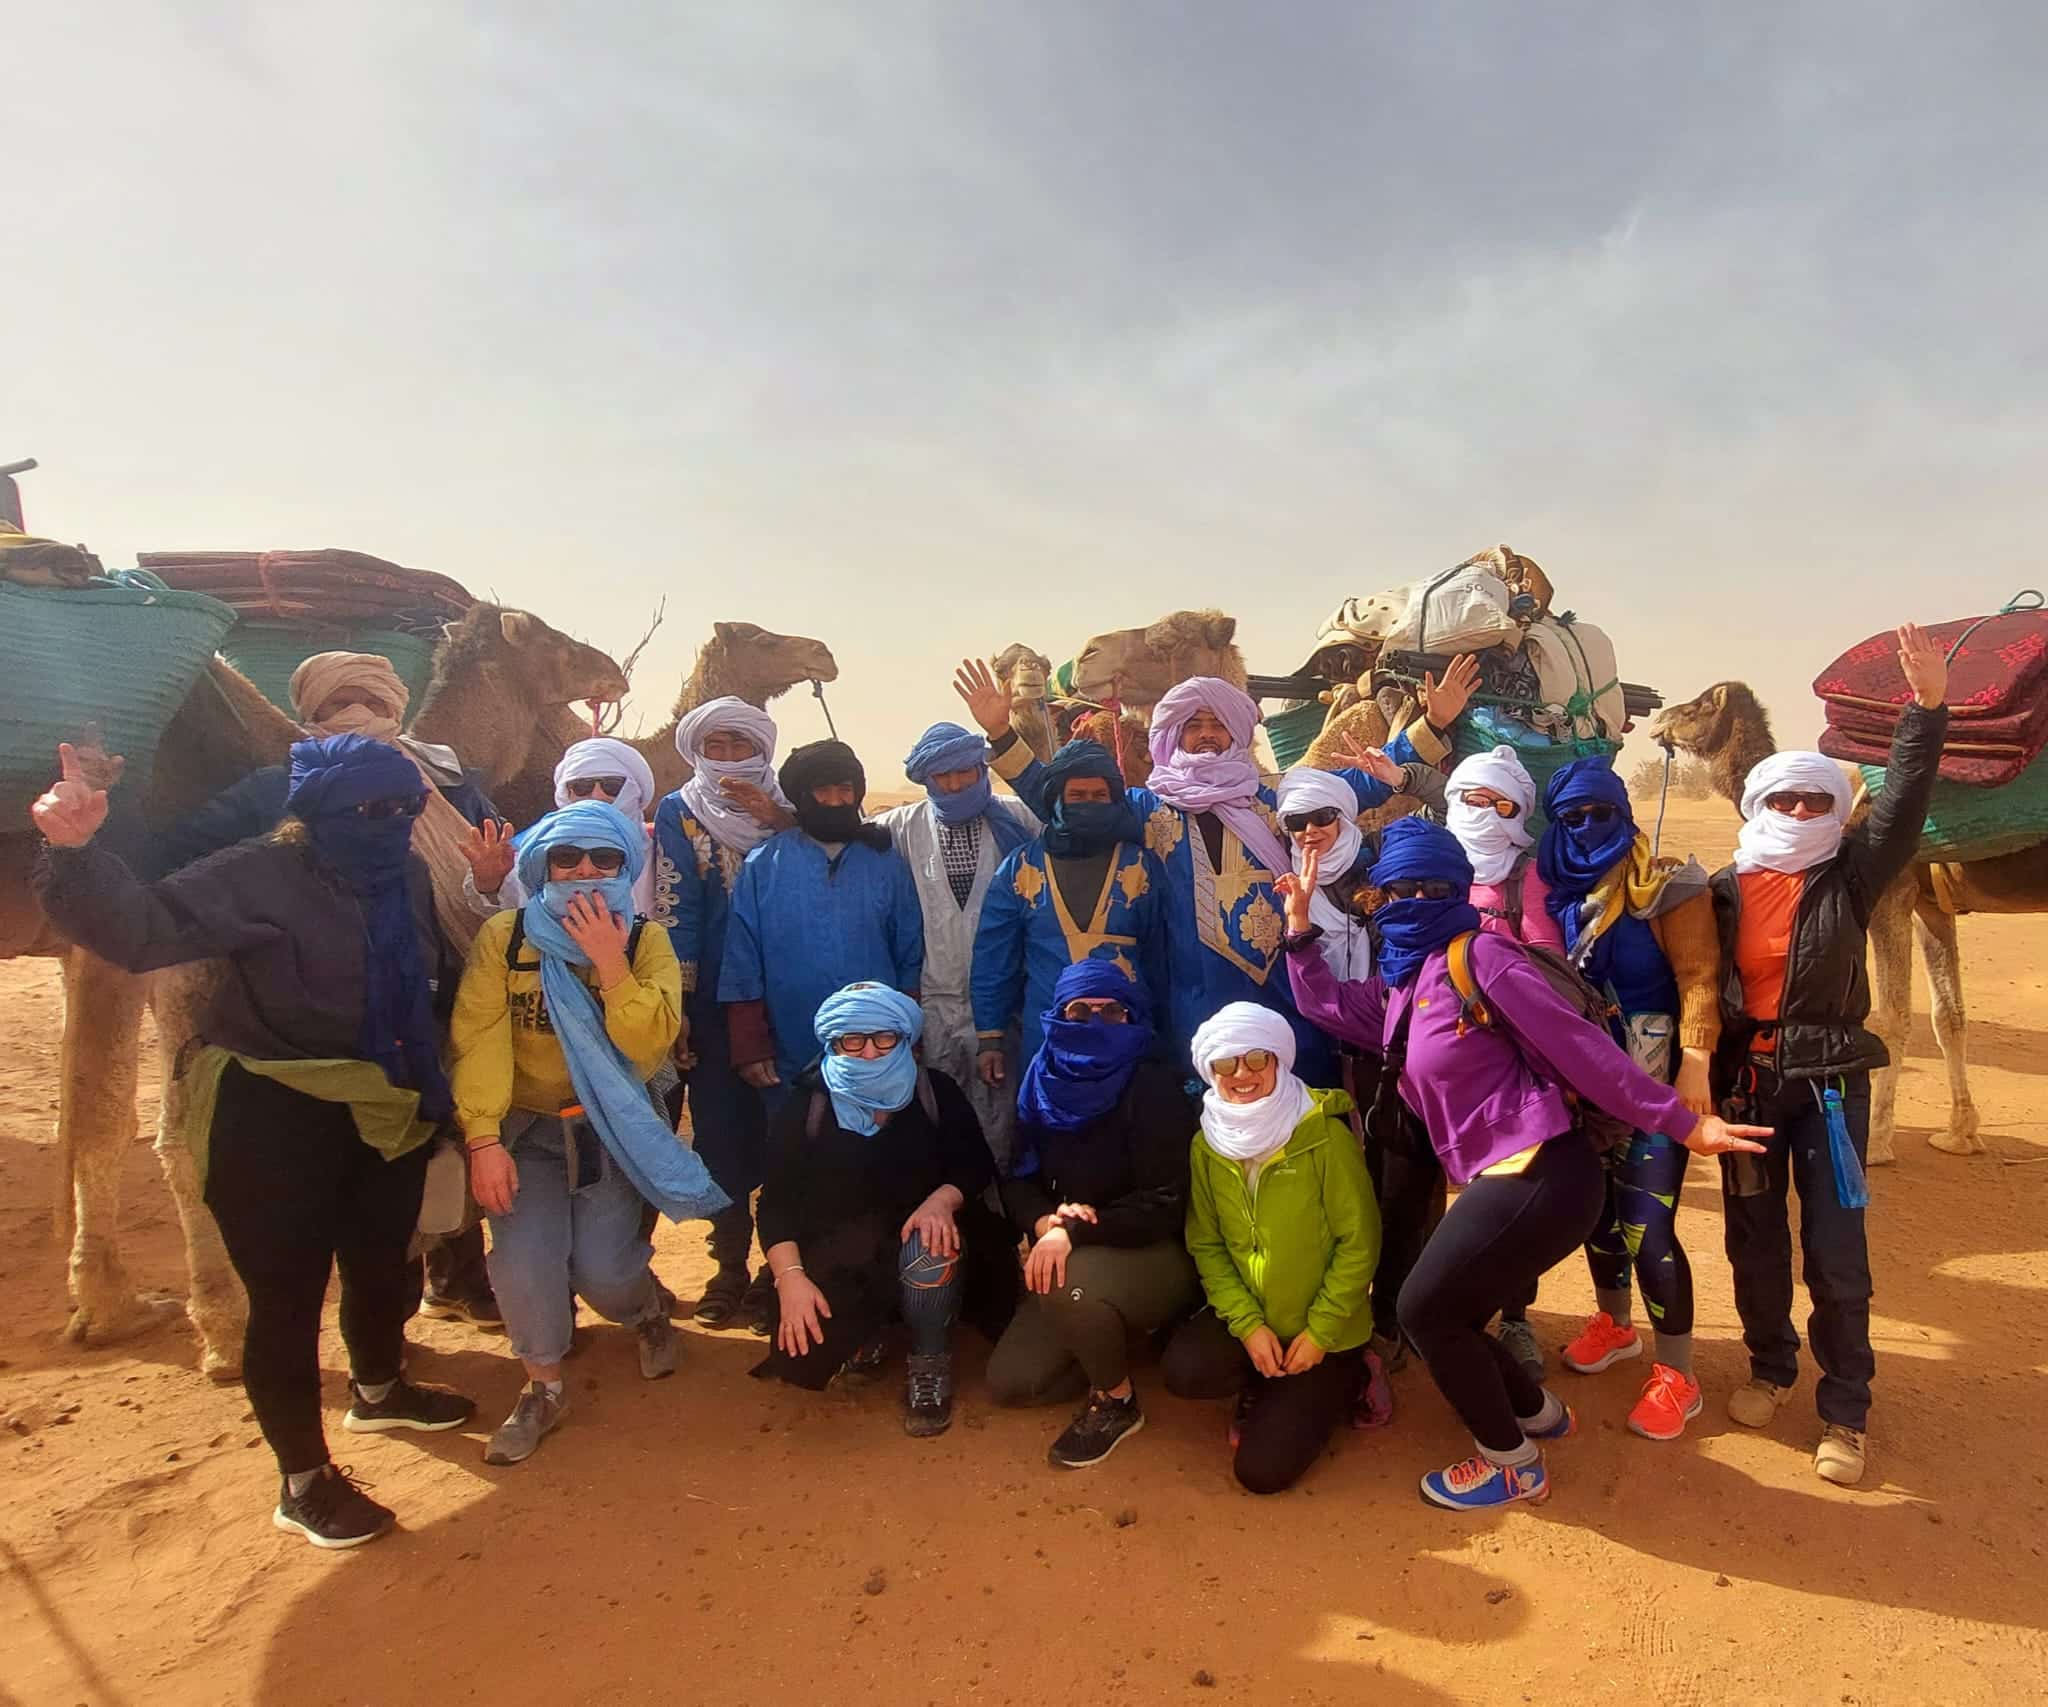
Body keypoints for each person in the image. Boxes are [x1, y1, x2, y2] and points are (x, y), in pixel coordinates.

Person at [33, 735, 477, 1550]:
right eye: (367, 808)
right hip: (276, 1111)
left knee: (384, 1263)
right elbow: (140, 928)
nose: (386, 821)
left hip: (385, 1104)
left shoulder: (406, 877)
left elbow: (428, 984)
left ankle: (379, 1389)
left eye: (402, 807)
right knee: (288, 1297)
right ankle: (303, 1481)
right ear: (316, 810)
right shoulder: (258, 872)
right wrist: (74, 852)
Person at [1280, 818, 1768, 1511]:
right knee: (1457, 1308)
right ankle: (1537, 1411)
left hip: (1546, 1171)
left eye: (1434, 886)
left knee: (1424, 1310)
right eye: (1400, 889)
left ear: (1460, 890)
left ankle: (1512, 1462)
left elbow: (1585, 1054)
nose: (1415, 898)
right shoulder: (1409, 989)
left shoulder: (1483, 959)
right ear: (1379, 899)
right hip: (1506, 1179)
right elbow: (1326, 1003)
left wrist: (1684, 1120)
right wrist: (1300, 928)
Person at [130, 648, 505, 1329]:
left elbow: (502, 877)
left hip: (450, 986)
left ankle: (458, 1276)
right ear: (309, 714)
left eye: (371, 702)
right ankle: (384, 1329)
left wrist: (484, 879)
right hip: (332, 1009)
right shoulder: (276, 792)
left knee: (455, 1128)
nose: (357, 716)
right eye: (336, 707)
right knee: (376, 1165)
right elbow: (178, 854)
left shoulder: (454, 785)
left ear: (398, 706)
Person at [961, 662, 1473, 1078]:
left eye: (1217, 725)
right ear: (1176, 735)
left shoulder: (1276, 799)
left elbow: (1357, 786)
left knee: (1303, 1100)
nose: (1206, 736)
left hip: (1285, 984)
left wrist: (1431, 725)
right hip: (1190, 994)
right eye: (1194, 725)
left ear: (1235, 732)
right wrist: (1003, 734)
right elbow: (1065, 803)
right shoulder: (1148, 808)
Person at [1711, 624, 1948, 1487]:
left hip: (1831, 1086)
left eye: (1817, 802)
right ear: (1759, 806)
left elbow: (1907, 801)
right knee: (1754, 1240)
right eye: (1787, 802)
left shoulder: (1850, 873)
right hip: (1748, 1088)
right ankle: (1771, 1367)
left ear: (1836, 811)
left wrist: (1926, 711)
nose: (1802, 814)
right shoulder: (1724, 888)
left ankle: (1845, 1409)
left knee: (1837, 1249)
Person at [451, 801, 727, 1466]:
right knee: (524, 1263)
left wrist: (610, 964)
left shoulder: (644, 942)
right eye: (566, 858)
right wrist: (483, 1139)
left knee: (604, 1272)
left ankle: (646, 1311)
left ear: (625, 866)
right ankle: (543, 1386)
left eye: (603, 859)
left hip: (611, 1130)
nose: (583, 871)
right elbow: (480, 1037)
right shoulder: (507, 938)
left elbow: (647, 1042)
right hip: (527, 1132)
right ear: (542, 867)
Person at [1534, 757, 1722, 1440]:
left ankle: (1679, 1373)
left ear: (1626, 813)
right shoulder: (1552, 894)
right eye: (1573, 816)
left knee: (1649, 1225)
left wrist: (1695, 1061)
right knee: (1596, 1216)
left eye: (1601, 813)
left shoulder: (1665, 885)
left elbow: (1699, 975)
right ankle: (1615, 1323)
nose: (1587, 827)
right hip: (1582, 1089)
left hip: (1652, 1087)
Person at [751, 984, 1015, 1436]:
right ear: (832, 1044)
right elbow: (776, 1204)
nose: (870, 1052)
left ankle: (929, 1360)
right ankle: (871, 1326)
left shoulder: (935, 1093)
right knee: (803, 1357)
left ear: (905, 1039)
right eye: (852, 1041)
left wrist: (940, 1201)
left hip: (925, 1238)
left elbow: (974, 1165)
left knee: (929, 1246)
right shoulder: (808, 1106)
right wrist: (789, 1280)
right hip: (846, 1247)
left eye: (884, 1038)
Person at [987, 962, 1200, 1468]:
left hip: (1152, 1250)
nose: (1094, 1022)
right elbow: (1016, 1175)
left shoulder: (1151, 1086)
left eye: (1112, 1011)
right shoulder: (1041, 1080)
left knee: (1066, 1285)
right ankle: (1110, 1331)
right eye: (1078, 1011)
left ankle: (1117, 1401)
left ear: (1134, 1020)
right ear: (1057, 1016)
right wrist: (1043, 1222)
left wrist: (1076, 1230)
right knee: (1013, 1382)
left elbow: (1165, 1202)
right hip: (1070, 1247)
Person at [1162, 1003, 1380, 1495]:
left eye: (1257, 1059)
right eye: (1225, 1063)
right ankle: (1267, 1379)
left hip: (1325, 1331)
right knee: (1185, 1370)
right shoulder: (1208, 1145)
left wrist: (1321, 1332)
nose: (1242, 1074)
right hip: (1257, 1322)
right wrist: (1248, 1325)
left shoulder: (1324, 1136)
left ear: (1280, 1062)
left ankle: (1353, 1376)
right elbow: (1208, 1242)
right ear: (1209, 1072)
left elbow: (1359, 1244)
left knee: (1260, 1473)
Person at [1274, 761, 1439, 1400]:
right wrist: (1298, 913)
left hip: (1397, 1053)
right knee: (1338, 1194)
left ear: (1347, 819)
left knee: (1405, 1191)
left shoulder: (1393, 872)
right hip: (1320, 1058)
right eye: (1299, 821)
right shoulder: (1282, 884)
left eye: (1325, 818)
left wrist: (1409, 771)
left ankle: (1400, 1313)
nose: (1313, 830)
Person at [652, 697, 796, 1332]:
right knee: (719, 1134)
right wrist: (679, 1005)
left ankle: (778, 1272)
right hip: (710, 1002)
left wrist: (782, 820)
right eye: (718, 745)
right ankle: (728, 1267)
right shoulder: (680, 811)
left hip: (788, 999)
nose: (731, 757)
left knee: (787, 1133)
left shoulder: (791, 804)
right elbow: (674, 910)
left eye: (743, 744)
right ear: (696, 750)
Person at [719, 739, 925, 1110]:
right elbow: (741, 957)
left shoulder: (886, 863)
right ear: (802, 795)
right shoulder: (764, 865)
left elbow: (909, 951)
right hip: (790, 1039)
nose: (834, 801)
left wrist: (911, 1029)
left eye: (844, 790)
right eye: (822, 790)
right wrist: (749, 1042)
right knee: (799, 1145)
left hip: (875, 1042)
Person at [1442, 744, 1559, 1380]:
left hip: (1512, 1060)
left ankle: (1515, 1317)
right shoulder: (1428, 863)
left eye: (1500, 802)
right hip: (1436, 1056)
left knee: (1510, 1193)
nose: (1483, 812)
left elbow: (1547, 961)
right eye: (1471, 798)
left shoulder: (1528, 877)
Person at [875, 722, 1039, 1167]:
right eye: (943, 776)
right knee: (940, 1113)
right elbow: (833, 835)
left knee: (1004, 1116)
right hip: (932, 1003)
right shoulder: (896, 828)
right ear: (925, 778)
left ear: (982, 767)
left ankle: (1004, 1219)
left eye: (965, 772)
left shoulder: (1020, 819)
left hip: (1005, 1003)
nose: (955, 784)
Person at [969, 738, 1168, 1080]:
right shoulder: (1021, 869)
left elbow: (1160, 955)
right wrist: (990, 1037)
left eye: (1098, 796)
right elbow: (993, 957)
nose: (1088, 804)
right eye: (1077, 796)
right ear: (1056, 800)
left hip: (1126, 1029)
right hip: (1048, 1032)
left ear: (1114, 800)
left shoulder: (1141, 866)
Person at [461, 735, 662, 918]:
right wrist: (490, 884)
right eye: (582, 787)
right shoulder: (535, 849)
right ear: (567, 795)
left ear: (636, 790)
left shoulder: (664, 849)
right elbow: (509, 910)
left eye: (612, 786)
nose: (597, 796)